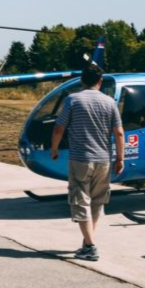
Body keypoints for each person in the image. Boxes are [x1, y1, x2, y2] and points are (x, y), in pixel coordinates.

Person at [51, 64, 125, 261]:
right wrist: (120, 158)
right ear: (100, 81)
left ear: (83, 80)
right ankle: (86, 243)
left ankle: (91, 246)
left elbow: (59, 127)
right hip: (104, 160)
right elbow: (119, 132)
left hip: (81, 159)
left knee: (80, 200)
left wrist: (55, 148)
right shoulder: (109, 102)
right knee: (97, 201)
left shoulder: (73, 99)